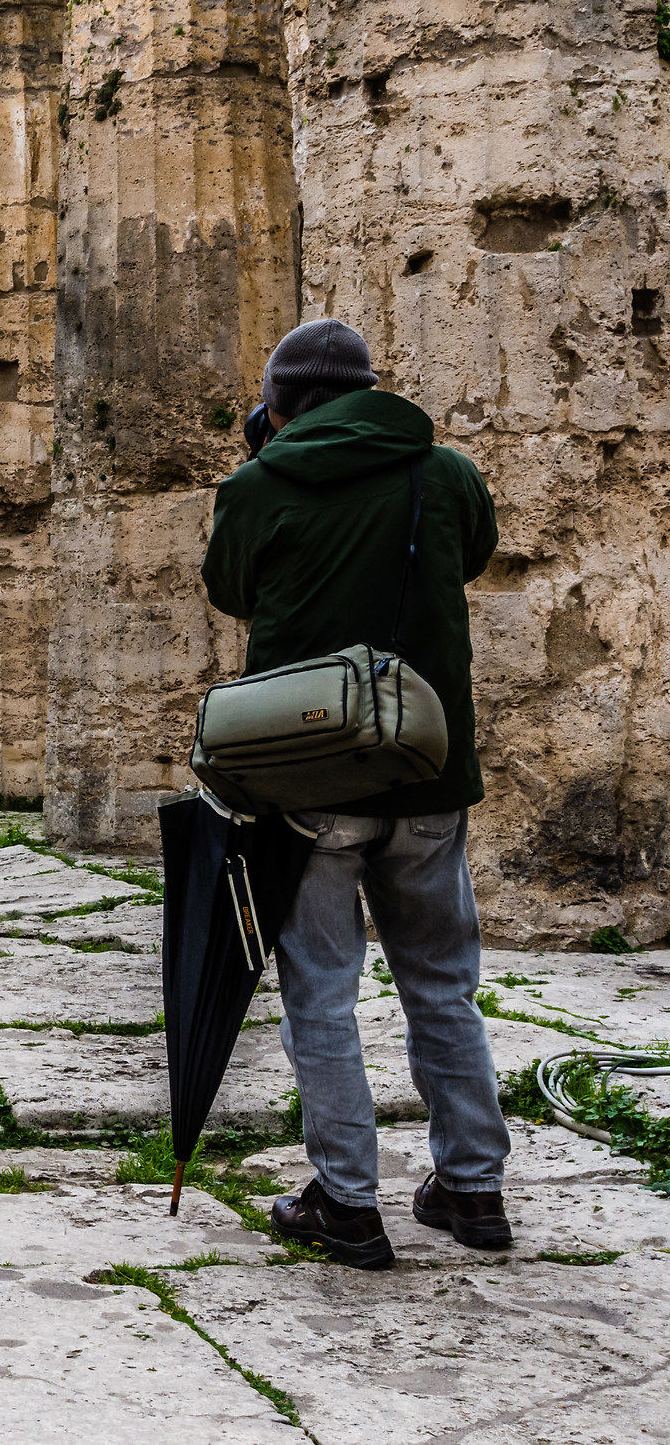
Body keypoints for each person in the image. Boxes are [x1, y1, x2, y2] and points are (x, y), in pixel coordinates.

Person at [203, 319, 509, 1270]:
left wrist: (268, 468)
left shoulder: (258, 483)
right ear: (374, 388)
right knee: (444, 988)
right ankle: (472, 1189)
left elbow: (229, 589)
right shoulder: (444, 472)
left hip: (310, 780)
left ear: (277, 406)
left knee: (321, 998)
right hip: (425, 771)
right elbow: (473, 557)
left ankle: (346, 1203)